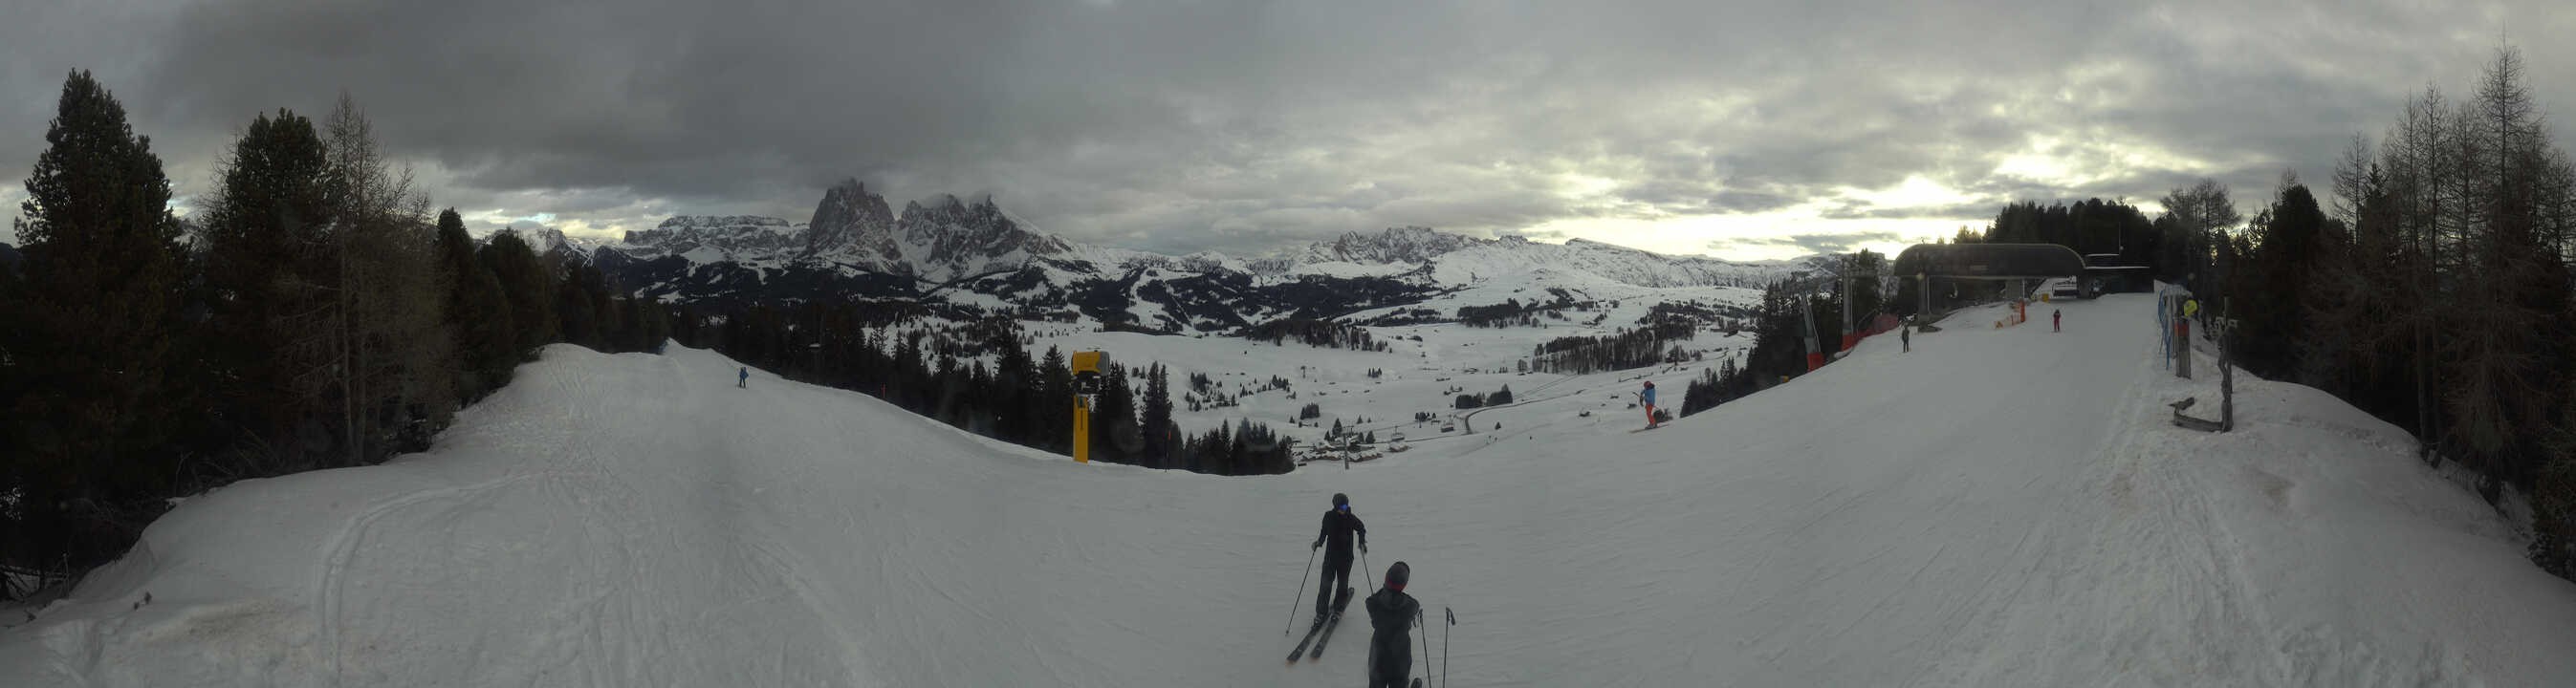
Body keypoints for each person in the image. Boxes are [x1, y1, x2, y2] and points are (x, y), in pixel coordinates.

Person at [1311, 493, 1368, 625]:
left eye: (1346, 505)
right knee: (1325, 584)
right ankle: (1321, 612)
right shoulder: (1328, 517)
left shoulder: (1351, 518)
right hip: (1330, 558)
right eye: (1341, 506)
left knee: (1342, 585)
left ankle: (1339, 609)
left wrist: (1361, 542)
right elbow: (1323, 532)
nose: (1344, 508)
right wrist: (1318, 543)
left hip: (1346, 558)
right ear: (1335, 506)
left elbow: (1361, 528)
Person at [1365, 561, 1422, 688]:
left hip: (1378, 658)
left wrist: (1386, 590)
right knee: (1399, 683)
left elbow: (1371, 599)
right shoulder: (1410, 606)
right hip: (1400, 658)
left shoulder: (1373, 604)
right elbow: (1415, 604)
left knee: (1376, 683)